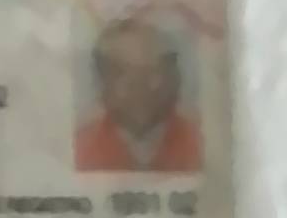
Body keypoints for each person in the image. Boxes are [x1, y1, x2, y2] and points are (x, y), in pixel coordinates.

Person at [74, 17, 202, 174]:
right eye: (121, 73)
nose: (139, 85)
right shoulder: (79, 150)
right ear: (101, 82)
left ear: (174, 78)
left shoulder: (204, 145)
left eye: (153, 70)